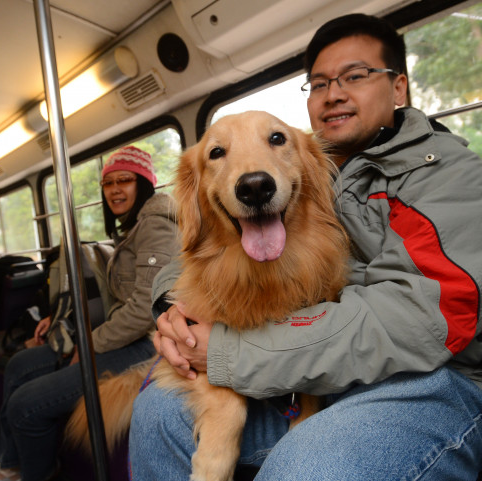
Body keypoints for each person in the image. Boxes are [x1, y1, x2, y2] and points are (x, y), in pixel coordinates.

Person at [129, 14, 482, 480]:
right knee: (156, 412)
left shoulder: (449, 172)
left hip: (437, 379)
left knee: (308, 465)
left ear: (398, 89)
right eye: (319, 83)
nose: (334, 92)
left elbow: (421, 317)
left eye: (355, 75)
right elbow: (203, 250)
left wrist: (228, 353)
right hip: (329, 375)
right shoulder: (314, 165)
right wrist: (171, 306)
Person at [0, 146, 179, 481]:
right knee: (20, 364)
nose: (114, 189)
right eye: (108, 183)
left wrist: (89, 344)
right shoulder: (133, 228)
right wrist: (62, 320)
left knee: (26, 405)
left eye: (125, 180)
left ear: (143, 184)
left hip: (149, 346)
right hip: (129, 339)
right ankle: (10, 465)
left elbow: (145, 308)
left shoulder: (156, 226)